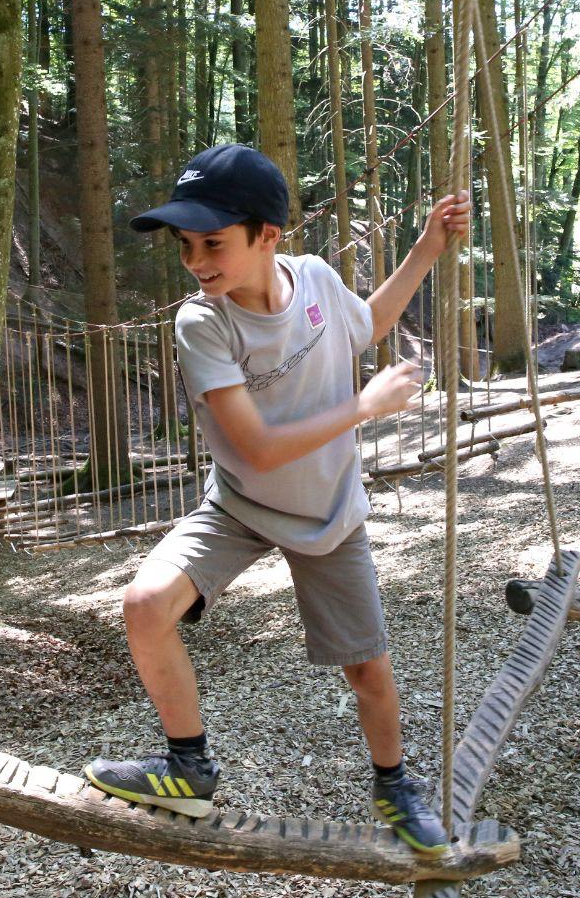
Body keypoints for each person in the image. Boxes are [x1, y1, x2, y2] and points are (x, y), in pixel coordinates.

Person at [83, 144, 471, 857]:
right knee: (144, 605)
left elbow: (366, 326)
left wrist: (426, 248)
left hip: (326, 509)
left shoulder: (317, 278)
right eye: (186, 245)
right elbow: (257, 449)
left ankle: (394, 785)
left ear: (268, 235)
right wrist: (364, 407)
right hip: (240, 503)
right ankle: (188, 767)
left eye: (213, 243)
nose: (196, 261)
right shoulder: (203, 322)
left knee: (368, 668)